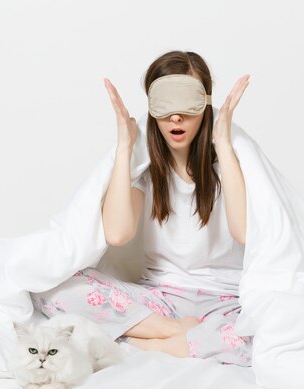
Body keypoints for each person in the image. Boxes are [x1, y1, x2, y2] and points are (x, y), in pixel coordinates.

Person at [30, 50, 253, 366]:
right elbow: (117, 234)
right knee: (49, 284)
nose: (176, 117)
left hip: (227, 304)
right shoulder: (147, 172)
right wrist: (125, 148)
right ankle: (177, 334)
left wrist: (225, 144)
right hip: (161, 301)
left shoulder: (232, 165)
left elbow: (244, 231)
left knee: (279, 325)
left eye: (187, 102)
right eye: (165, 103)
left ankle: (152, 346)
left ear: (206, 103)